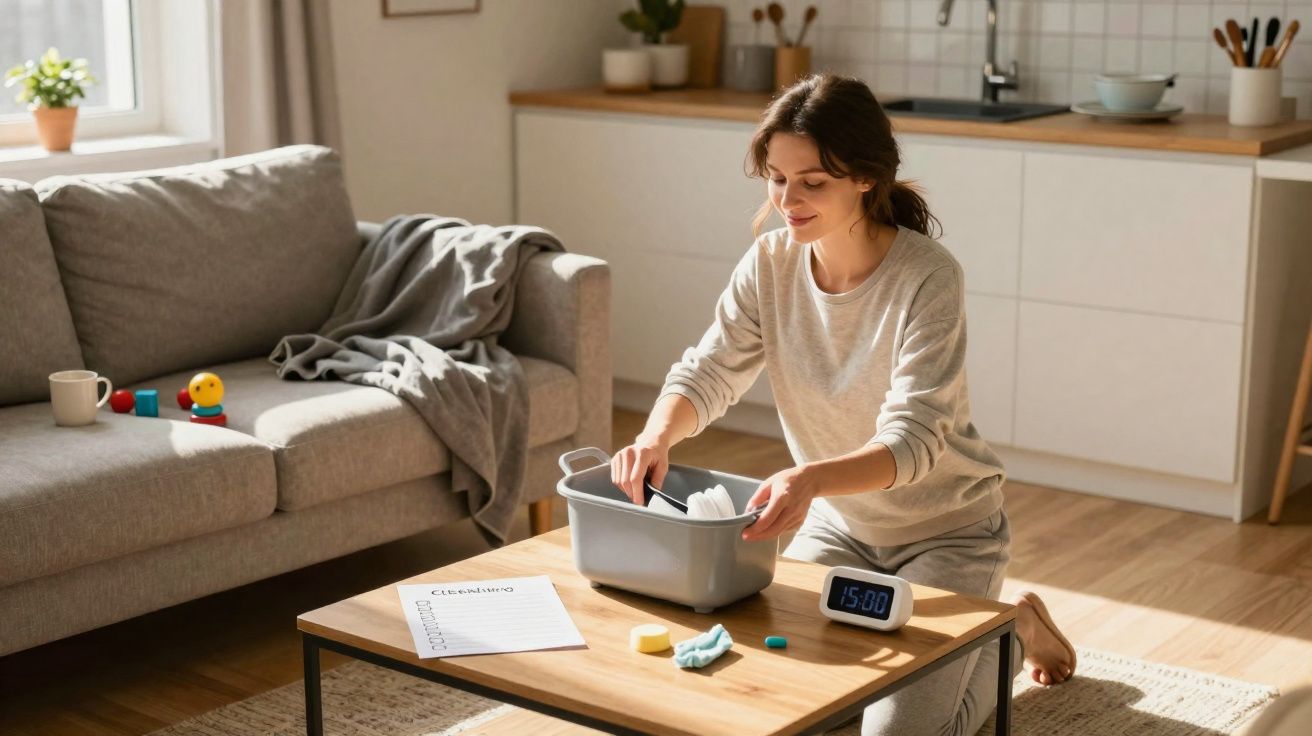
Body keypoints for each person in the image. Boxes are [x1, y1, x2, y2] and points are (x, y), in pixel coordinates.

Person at [610, 74, 1077, 736]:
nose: (788, 200)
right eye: (776, 179)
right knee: (798, 715)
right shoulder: (769, 265)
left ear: (864, 177)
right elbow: (710, 369)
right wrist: (657, 438)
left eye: (812, 182)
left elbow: (914, 440)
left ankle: (1007, 633)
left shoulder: (928, 278)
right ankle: (988, 631)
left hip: (948, 534)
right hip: (840, 530)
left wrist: (811, 479)